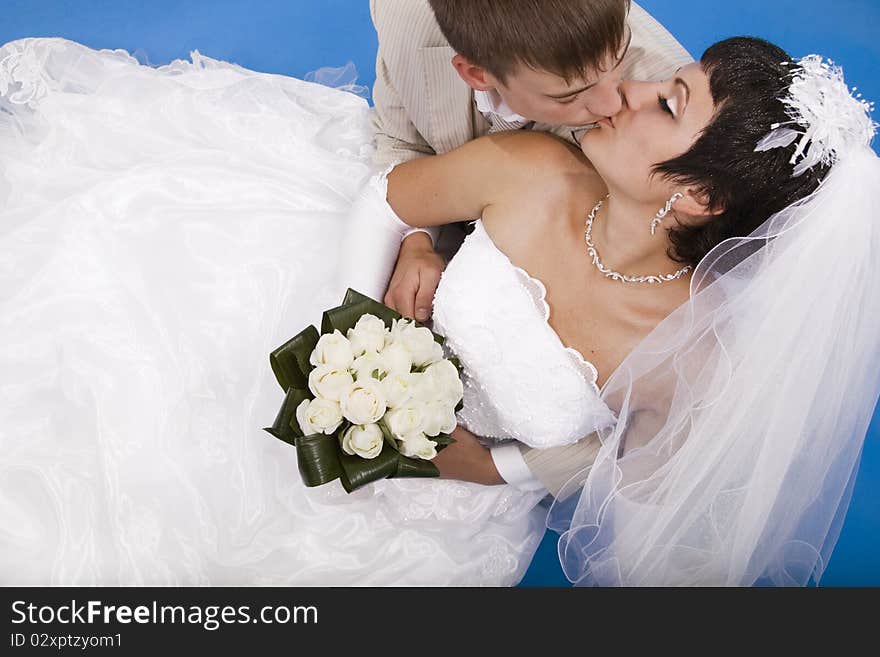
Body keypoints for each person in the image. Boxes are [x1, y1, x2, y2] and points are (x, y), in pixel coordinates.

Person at [0, 33, 875, 586]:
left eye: (666, 102)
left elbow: (613, 455)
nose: (625, 95)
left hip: (447, 494)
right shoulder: (534, 166)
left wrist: (495, 472)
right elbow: (387, 195)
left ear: (701, 202)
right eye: (664, 80)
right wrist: (350, 332)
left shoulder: (690, 354)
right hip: (347, 326)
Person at [347, 0, 691, 496]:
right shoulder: (404, 14)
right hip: (439, 233)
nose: (612, 104)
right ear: (474, 72)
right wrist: (416, 240)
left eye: (616, 61)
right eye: (571, 94)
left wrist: (498, 468)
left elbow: (675, 386)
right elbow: (402, 139)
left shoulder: (657, 115)